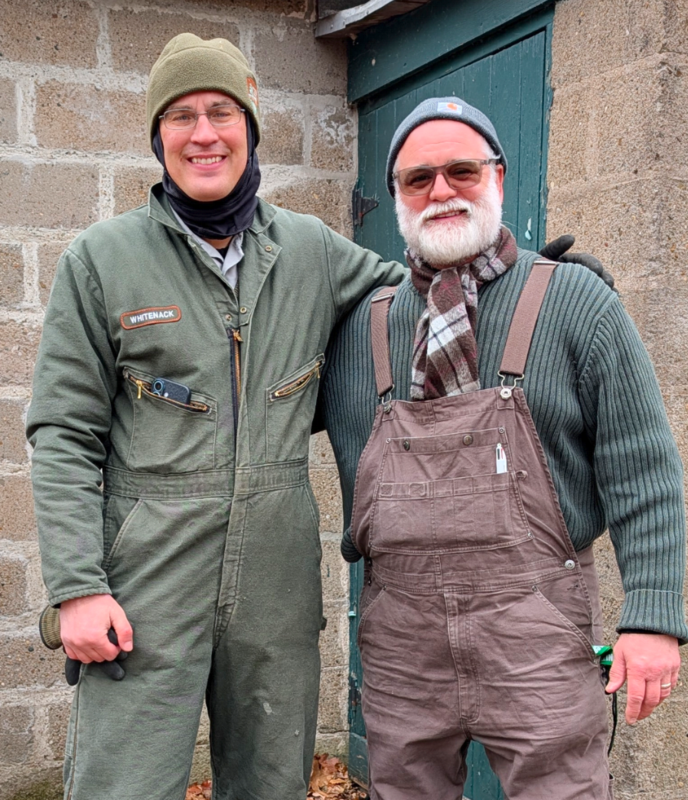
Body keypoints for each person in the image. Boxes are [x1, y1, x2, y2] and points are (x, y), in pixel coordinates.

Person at [25, 33, 410, 800]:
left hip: (276, 571)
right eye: (182, 116)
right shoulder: (101, 260)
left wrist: (531, 281)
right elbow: (64, 434)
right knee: (121, 785)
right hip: (144, 576)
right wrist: (76, 586)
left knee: (271, 783)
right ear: (158, 136)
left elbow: (422, 297)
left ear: (251, 125)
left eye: (223, 112)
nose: (204, 134)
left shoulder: (310, 249)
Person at [319, 97, 688, 800]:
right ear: (395, 195)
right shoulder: (356, 334)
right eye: (417, 179)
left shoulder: (576, 302)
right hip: (401, 643)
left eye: (462, 170)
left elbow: (644, 471)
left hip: (537, 633)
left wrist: (651, 617)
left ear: (499, 175)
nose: (442, 191)